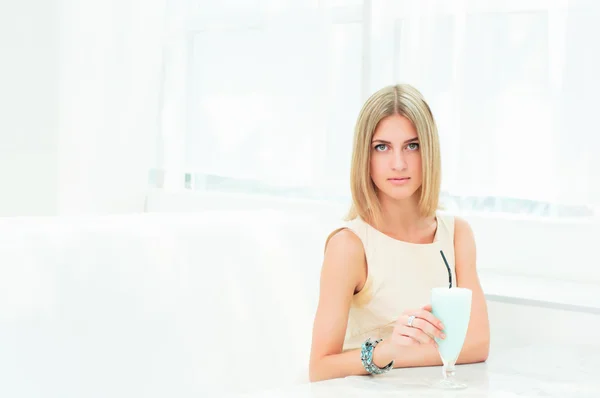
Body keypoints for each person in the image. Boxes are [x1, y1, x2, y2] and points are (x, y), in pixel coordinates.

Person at [308, 84, 490, 382]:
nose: (398, 163)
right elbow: (320, 367)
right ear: (364, 157)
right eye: (382, 147)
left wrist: (401, 353)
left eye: (412, 145)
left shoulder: (456, 235)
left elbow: (477, 345)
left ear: (429, 150)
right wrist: (388, 349)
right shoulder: (349, 246)